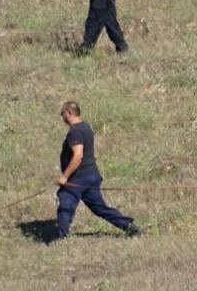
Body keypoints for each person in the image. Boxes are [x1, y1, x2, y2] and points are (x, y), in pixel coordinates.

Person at [55, 101, 140, 240]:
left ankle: (60, 239)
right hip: (91, 176)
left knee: (65, 203)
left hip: (78, 178)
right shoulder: (86, 127)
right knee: (100, 209)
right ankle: (129, 227)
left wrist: (65, 177)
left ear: (69, 112)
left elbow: (78, 155)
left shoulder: (75, 131)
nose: (62, 117)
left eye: (62, 114)